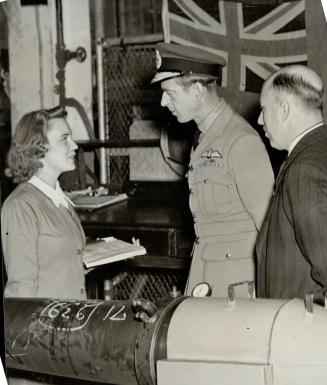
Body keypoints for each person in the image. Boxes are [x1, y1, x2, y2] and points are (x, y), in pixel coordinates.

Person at [152, 43, 274, 297]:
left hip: (236, 285)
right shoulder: (203, 138)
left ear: (196, 91)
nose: (163, 102)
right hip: (204, 274)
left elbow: (270, 230)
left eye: (170, 93)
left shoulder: (240, 141)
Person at [256, 65, 327, 300]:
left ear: (283, 109)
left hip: (299, 325)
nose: (259, 119)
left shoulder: (303, 169)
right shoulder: (318, 150)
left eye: (263, 109)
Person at [1, 106, 87, 300]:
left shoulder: (59, 200)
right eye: (64, 138)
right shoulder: (21, 206)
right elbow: (21, 292)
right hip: (46, 327)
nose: (74, 145)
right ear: (38, 147)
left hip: (72, 321)